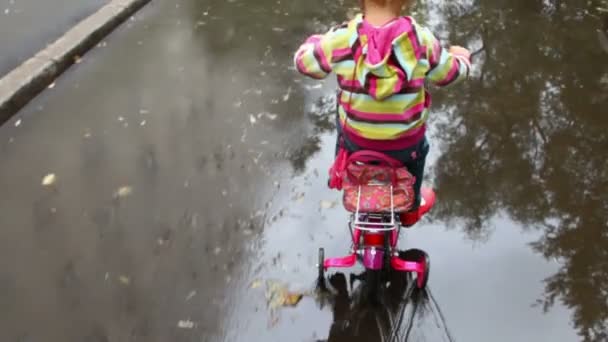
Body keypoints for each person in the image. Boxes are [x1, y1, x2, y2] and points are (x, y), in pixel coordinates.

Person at [294, 0, 471, 226]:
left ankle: (339, 173)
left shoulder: (339, 40)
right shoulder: (422, 41)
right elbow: (450, 74)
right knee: (421, 150)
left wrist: (314, 42)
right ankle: (411, 206)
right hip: (405, 147)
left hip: (356, 142)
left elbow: (303, 64)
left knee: (341, 119)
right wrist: (462, 57)